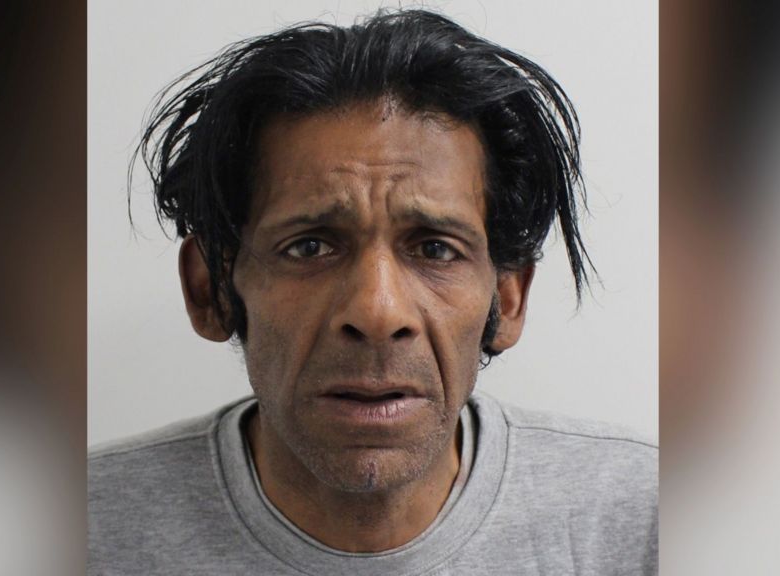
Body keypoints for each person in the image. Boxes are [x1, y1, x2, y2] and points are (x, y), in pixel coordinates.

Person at [89, 9, 656, 575]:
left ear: (506, 298)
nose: (378, 311)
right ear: (211, 289)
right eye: (309, 247)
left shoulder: (643, 518)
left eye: (435, 249)